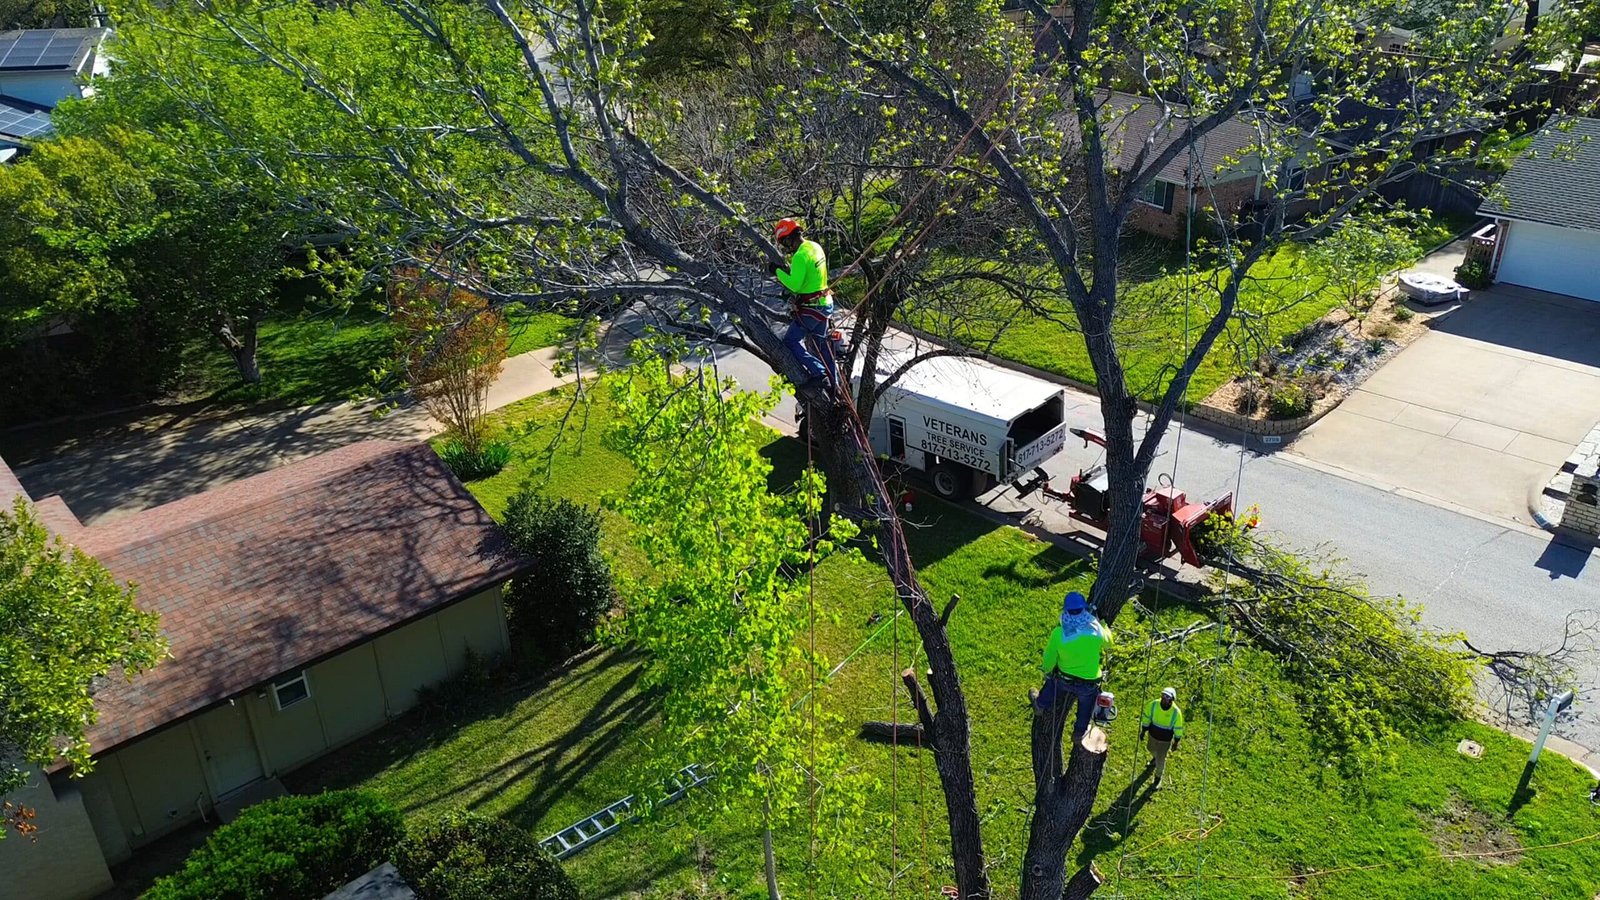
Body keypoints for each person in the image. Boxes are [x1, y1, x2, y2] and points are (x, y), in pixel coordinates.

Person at [771, 218, 837, 391]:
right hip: (825, 304)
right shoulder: (814, 246)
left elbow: (795, 285)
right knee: (821, 346)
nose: (787, 248)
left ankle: (819, 373)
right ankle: (833, 383)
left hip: (812, 308)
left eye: (785, 244)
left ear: (788, 238)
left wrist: (776, 271)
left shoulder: (800, 256)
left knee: (790, 341)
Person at [1034, 590, 1112, 738]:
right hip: (1089, 682)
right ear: (1084, 609)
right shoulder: (1095, 629)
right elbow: (1109, 643)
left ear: (1066, 610)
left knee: (1052, 684)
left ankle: (1040, 704)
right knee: (1085, 708)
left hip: (1064, 678)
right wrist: (1103, 623)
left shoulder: (1059, 633)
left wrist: (1047, 670)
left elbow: (1050, 657)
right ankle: (1078, 733)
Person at [1138, 687, 1185, 789]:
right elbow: (1146, 718)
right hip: (1152, 735)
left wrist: (1176, 742)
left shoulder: (1176, 713)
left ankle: (1157, 779)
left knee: (1161, 760)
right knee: (1150, 748)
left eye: (1167, 698)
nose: (1164, 699)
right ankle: (1155, 758)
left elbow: (1178, 728)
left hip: (1165, 740)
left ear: (1172, 700)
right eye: (1163, 696)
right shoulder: (1153, 705)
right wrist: (1143, 731)